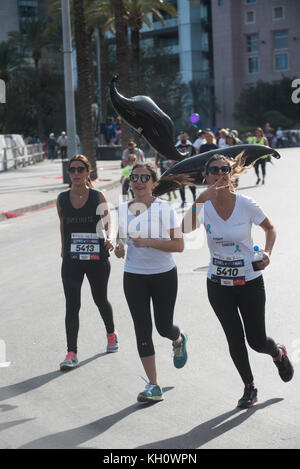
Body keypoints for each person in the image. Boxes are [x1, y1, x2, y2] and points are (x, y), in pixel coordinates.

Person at [182, 153, 294, 409]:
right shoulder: (204, 205)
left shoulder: (246, 204)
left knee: (256, 340)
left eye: (224, 169)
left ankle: (277, 353)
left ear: (231, 174)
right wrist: (199, 201)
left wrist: (267, 253)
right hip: (218, 284)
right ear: (206, 175)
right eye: (214, 170)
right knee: (234, 338)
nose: (220, 174)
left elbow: (270, 228)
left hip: (250, 281)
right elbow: (185, 229)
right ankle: (249, 386)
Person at [115, 163, 187, 403]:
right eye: (134, 177)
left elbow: (178, 245)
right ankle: (153, 385)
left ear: (154, 182)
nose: (138, 181)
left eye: (145, 177)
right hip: (134, 276)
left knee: (163, 327)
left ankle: (178, 339)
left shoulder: (165, 208)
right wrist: (118, 246)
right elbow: (121, 238)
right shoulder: (123, 208)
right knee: (142, 330)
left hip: (163, 274)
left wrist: (148, 242)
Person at [57, 155, 118, 371]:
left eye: (80, 169)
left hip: (96, 258)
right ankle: (71, 352)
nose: (75, 174)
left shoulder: (97, 196)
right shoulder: (62, 198)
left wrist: (110, 238)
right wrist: (64, 249)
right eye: (72, 170)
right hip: (72, 260)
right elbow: (63, 224)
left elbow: (108, 222)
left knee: (100, 299)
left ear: (87, 172)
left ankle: (111, 334)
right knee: (72, 305)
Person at [176, 132, 197, 207]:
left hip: (190, 169)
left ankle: (194, 197)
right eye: (182, 137)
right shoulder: (177, 148)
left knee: (191, 183)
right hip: (181, 170)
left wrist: (195, 168)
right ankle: (183, 201)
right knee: (181, 186)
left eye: (184, 137)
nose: (183, 138)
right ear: (180, 138)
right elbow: (175, 160)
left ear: (187, 137)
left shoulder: (191, 147)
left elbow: (195, 158)